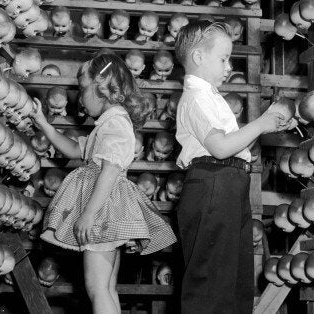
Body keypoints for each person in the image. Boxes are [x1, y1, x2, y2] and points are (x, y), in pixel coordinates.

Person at [31, 53, 177, 314]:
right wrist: (44, 124)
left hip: (101, 214)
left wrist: (88, 214)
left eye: (82, 89)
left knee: (96, 288)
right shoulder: (108, 124)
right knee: (106, 288)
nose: (80, 97)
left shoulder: (116, 124)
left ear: (102, 88)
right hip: (106, 213)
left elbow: (109, 171)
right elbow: (76, 150)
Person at [174, 21, 291, 314]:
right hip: (213, 182)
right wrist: (261, 124)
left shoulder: (211, 97)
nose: (228, 66)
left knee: (235, 279)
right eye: (223, 58)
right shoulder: (196, 97)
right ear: (199, 57)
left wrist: (270, 122)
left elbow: (235, 149)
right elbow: (220, 147)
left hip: (228, 182)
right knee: (211, 282)